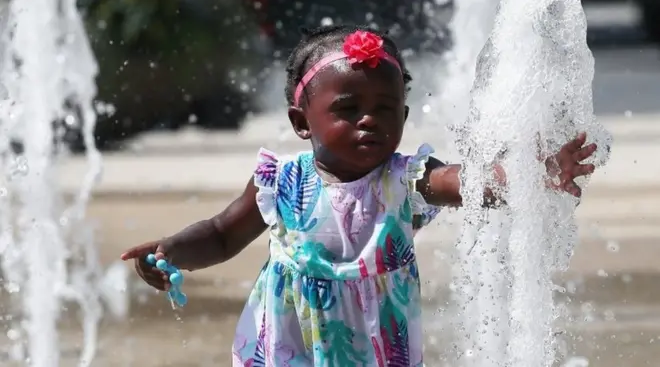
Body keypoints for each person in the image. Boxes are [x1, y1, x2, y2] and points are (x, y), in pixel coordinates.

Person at [120, 25, 598, 366]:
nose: (369, 120)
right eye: (348, 109)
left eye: (384, 109)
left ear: (404, 118)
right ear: (301, 122)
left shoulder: (407, 179)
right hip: (290, 341)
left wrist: (530, 172)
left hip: (376, 344)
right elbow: (223, 234)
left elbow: (467, 182)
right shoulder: (280, 180)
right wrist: (173, 251)